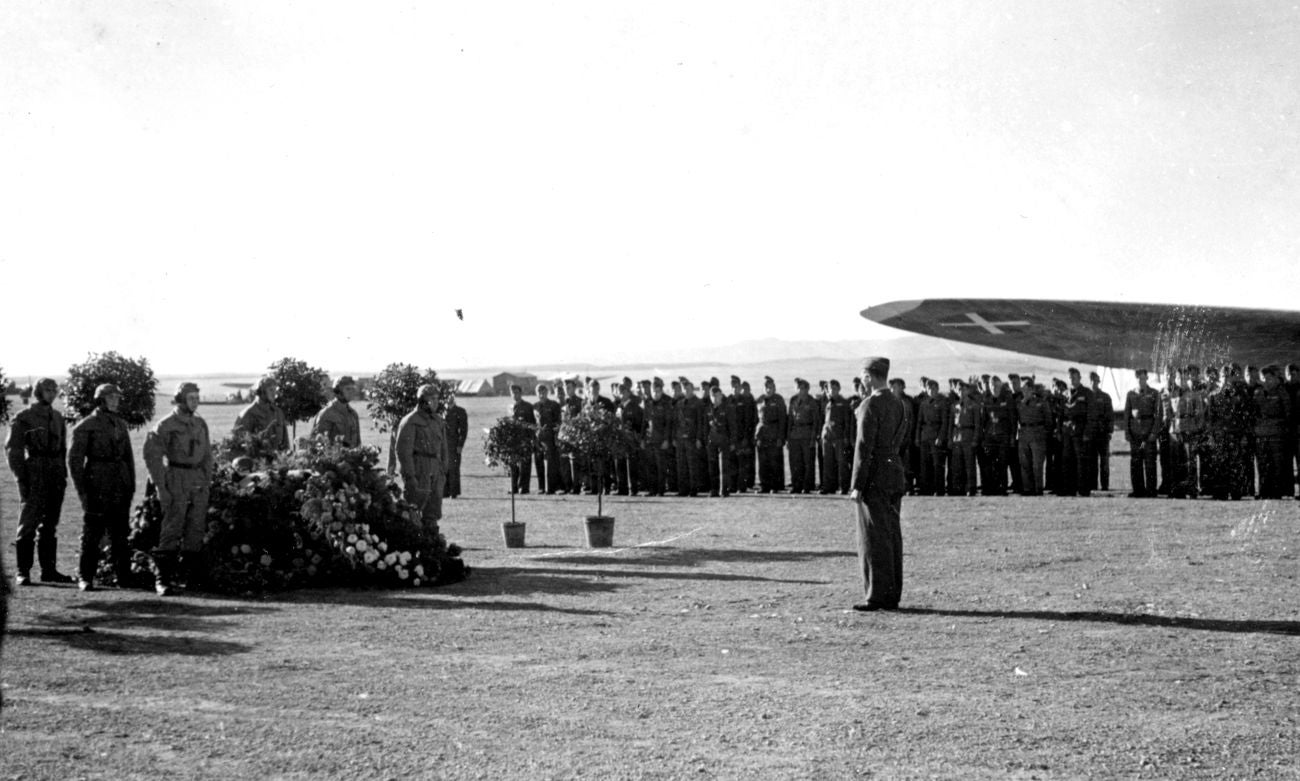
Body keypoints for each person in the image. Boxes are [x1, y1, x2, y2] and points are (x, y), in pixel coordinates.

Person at [143, 382, 214, 596]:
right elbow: (153, 456)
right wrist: (161, 486)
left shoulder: (200, 423)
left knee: (196, 527)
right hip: (177, 477)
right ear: (181, 399)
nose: (195, 402)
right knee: (173, 525)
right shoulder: (166, 425)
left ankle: (191, 578)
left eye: (197, 397)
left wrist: (207, 480)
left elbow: (207, 454)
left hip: (198, 479)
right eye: (191, 398)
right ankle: (162, 579)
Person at [849, 357, 907, 612]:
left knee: (873, 538)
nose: (862, 382)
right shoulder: (898, 403)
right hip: (894, 472)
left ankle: (877, 596)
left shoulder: (870, 404)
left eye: (863, 377)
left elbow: (863, 448)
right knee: (892, 535)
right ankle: (892, 593)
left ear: (870, 377)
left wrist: (857, 484)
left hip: (875, 477)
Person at [6, 377, 74, 585]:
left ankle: (49, 570)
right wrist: (21, 478)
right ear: (37, 392)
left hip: (55, 472)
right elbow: (13, 450)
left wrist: (62, 474)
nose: (52, 393)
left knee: (50, 523)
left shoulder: (57, 417)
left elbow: (62, 449)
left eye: (55, 390)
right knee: (29, 522)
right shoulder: (24, 417)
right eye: (47, 390)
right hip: (35, 471)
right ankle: (23, 571)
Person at [68, 384, 136, 591]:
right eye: (111, 397)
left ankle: (123, 577)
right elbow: (74, 462)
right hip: (97, 483)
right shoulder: (86, 426)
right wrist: (83, 493)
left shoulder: (121, 425)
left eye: (117, 397)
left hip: (119, 484)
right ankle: (85, 576)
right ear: (101, 400)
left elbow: (128, 458)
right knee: (93, 533)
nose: (116, 401)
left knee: (120, 533)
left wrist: (130, 485)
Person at [396, 384, 449, 529]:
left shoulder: (438, 421)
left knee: (433, 510)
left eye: (437, 398)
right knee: (414, 510)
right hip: (419, 469)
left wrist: (444, 468)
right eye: (432, 399)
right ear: (422, 400)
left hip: (436, 470)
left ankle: (433, 542)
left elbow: (444, 447)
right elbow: (403, 452)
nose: (436, 402)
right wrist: (410, 476)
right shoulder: (410, 421)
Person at [1124, 369, 1161, 497]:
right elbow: (1127, 414)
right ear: (1136, 379)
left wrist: (1154, 433)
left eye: (1143, 378)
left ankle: (1151, 490)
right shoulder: (1131, 394)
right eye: (1139, 378)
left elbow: (1158, 415)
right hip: (1136, 435)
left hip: (1148, 434)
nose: (1141, 380)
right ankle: (1138, 490)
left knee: (1150, 462)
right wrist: (1127, 433)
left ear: (1147, 378)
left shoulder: (1154, 394)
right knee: (1136, 462)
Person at [232, 376, 289, 454]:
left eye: (275, 390)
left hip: (278, 462)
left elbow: (285, 443)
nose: (274, 393)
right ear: (261, 392)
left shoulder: (278, 413)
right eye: (271, 390)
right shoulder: (248, 414)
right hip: (256, 462)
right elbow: (238, 445)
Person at [1016, 382, 1054, 495]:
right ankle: (1028, 488)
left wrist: (1044, 433)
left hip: (1038, 434)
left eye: (1027, 389)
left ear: (1032, 390)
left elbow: (1048, 420)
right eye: (1023, 390)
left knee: (1037, 464)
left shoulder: (1041, 403)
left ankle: (1038, 488)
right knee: (1025, 463)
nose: (1025, 392)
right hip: (1024, 433)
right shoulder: (1020, 404)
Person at [673, 380, 707, 496]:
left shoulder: (698, 403)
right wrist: (675, 437)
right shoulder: (680, 404)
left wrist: (699, 438)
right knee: (681, 465)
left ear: (692, 389)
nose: (686, 391)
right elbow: (676, 422)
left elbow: (700, 422)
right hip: (680, 438)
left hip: (692, 438)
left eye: (688, 389)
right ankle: (683, 489)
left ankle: (693, 489)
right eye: (684, 389)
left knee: (692, 465)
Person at [820, 379, 853, 494]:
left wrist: (846, 437)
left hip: (839, 436)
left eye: (834, 389)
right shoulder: (827, 402)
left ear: (839, 389)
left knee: (841, 463)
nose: (832, 391)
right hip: (827, 437)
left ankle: (843, 487)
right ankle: (828, 486)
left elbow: (847, 422)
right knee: (828, 463)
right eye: (830, 389)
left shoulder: (843, 403)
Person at [755, 376, 787, 493]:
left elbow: (783, 419)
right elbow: (756, 419)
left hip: (774, 434)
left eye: (771, 387)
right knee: (763, 462)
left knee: (774, 462)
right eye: (766, 387)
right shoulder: (760, 400)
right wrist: (756, 435)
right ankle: (764, 485)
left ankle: (775, 486)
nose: (768, 389)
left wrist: (780, 437)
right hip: (762, 434)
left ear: (774, 388)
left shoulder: (779, 400)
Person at [787, 379, 819, 493]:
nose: (801, 390)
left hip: (807, 433)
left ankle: (807, 486)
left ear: (807, 389)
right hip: (794, 434)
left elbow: (816, 421)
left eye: (803, 388)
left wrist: (813, 437)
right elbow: (790, 419)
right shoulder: (793, 400)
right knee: (795, 462)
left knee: (808, 462)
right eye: (799, 388)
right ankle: (796, 485)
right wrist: (788, 437)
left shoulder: (812, 401)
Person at [704, 385, 737, 496]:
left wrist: (733, 442)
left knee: (724, 467)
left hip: (724, 440)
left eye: (717, 396)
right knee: (712, 467)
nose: (715, 398)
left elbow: (733, 426)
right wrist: (706, 439)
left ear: (721, 395)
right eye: (712, 396)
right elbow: (705, 426)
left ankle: (724, 490)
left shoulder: (727, 408)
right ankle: (714, 489)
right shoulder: (708, 409)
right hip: (712, 440)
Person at [311, 376, 362, 447]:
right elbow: (317, 444)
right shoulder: (326, 413)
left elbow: (358, 443)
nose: (351, 392)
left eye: (352, 389)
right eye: (347, 389)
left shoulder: (353, 414)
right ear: (338, 391)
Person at [1086, 371, 1115, 492]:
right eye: (1092, 380)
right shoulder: (1087, 396)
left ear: (1099, 382)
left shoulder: (1105, 397)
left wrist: (1109, 431)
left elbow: (1110, 415)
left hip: (1102, 433)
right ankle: (1093, 484)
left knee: (1104, 461)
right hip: (1091, 432)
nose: (1094, 383)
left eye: (1096, 381)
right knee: (1092, 460)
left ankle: (1105, 485)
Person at [534, 384, 563, 494]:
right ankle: (541, 487)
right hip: (538, 438)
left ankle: (551, 487)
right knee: (539, 463)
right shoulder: (535, 406)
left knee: (551, 464)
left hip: (550, 438)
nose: (541, 394)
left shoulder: (554, 405)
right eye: (539, 392)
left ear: (547, 392)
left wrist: (556, 436)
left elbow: (558, 421)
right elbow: (533, 423)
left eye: (544, 392)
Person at [508, 385, 535, 494]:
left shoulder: (528, 406)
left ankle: (524, 487)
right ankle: (514, 486)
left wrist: (531, 438)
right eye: (513, 393)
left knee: (525, 465)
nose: (515, 395)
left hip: (525, 439)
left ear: (521, 393)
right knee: (513, 464)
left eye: (517, 392)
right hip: (514, 440)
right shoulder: (510, 407)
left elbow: (532, 423)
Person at [443, 393, 469, 498]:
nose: (449, 399)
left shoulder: (460, 412)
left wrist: (460, 445)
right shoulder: (440, 411)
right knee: (443, 468)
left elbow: (463, 430)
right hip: (442, 445)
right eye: (447, 397)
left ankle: (454, 492)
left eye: (451, 397)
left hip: (454, 445)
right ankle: (444, 492)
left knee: (454, 469)